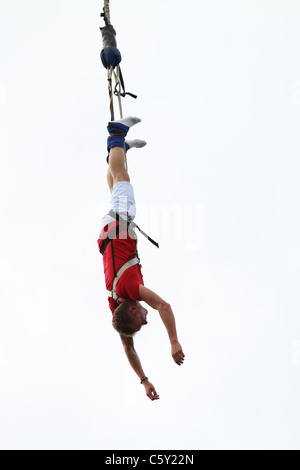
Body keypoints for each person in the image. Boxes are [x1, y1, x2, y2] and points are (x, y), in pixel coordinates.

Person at [97, 116, 185, 401]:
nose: (144, 323)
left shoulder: (132, 291)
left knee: (121, 178)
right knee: (117, 184)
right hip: (108, 230)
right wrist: (144, 380)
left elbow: (164, 306)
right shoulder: (116, 306)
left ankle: (116, 133)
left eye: (140, 323)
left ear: (133, 311)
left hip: (120, 224)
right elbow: (129, 349)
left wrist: (174, 342)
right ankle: (119, 149)